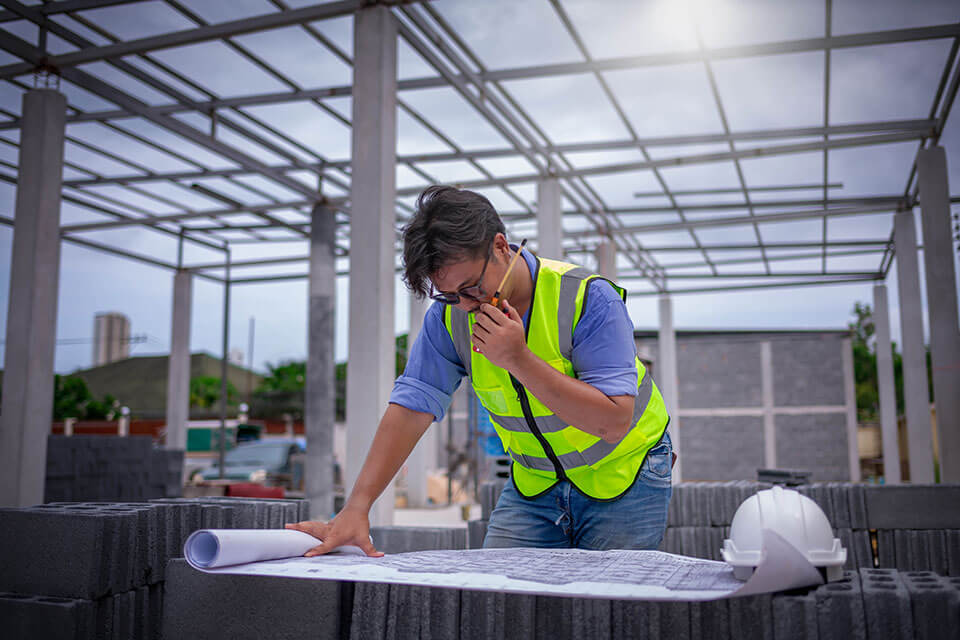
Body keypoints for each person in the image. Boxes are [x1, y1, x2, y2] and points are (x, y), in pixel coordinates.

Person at [287, 185, 672, 556]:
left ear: (501, 247)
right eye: (449, 294)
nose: (466, 305)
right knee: (496, 602)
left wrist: (519, 360)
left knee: (607, 608)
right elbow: (412, 405)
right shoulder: (451, 316)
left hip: (625, 472)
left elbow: (614, 421)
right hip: (537, 482)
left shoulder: (587, 298)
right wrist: (358, 506)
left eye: (472, 287)